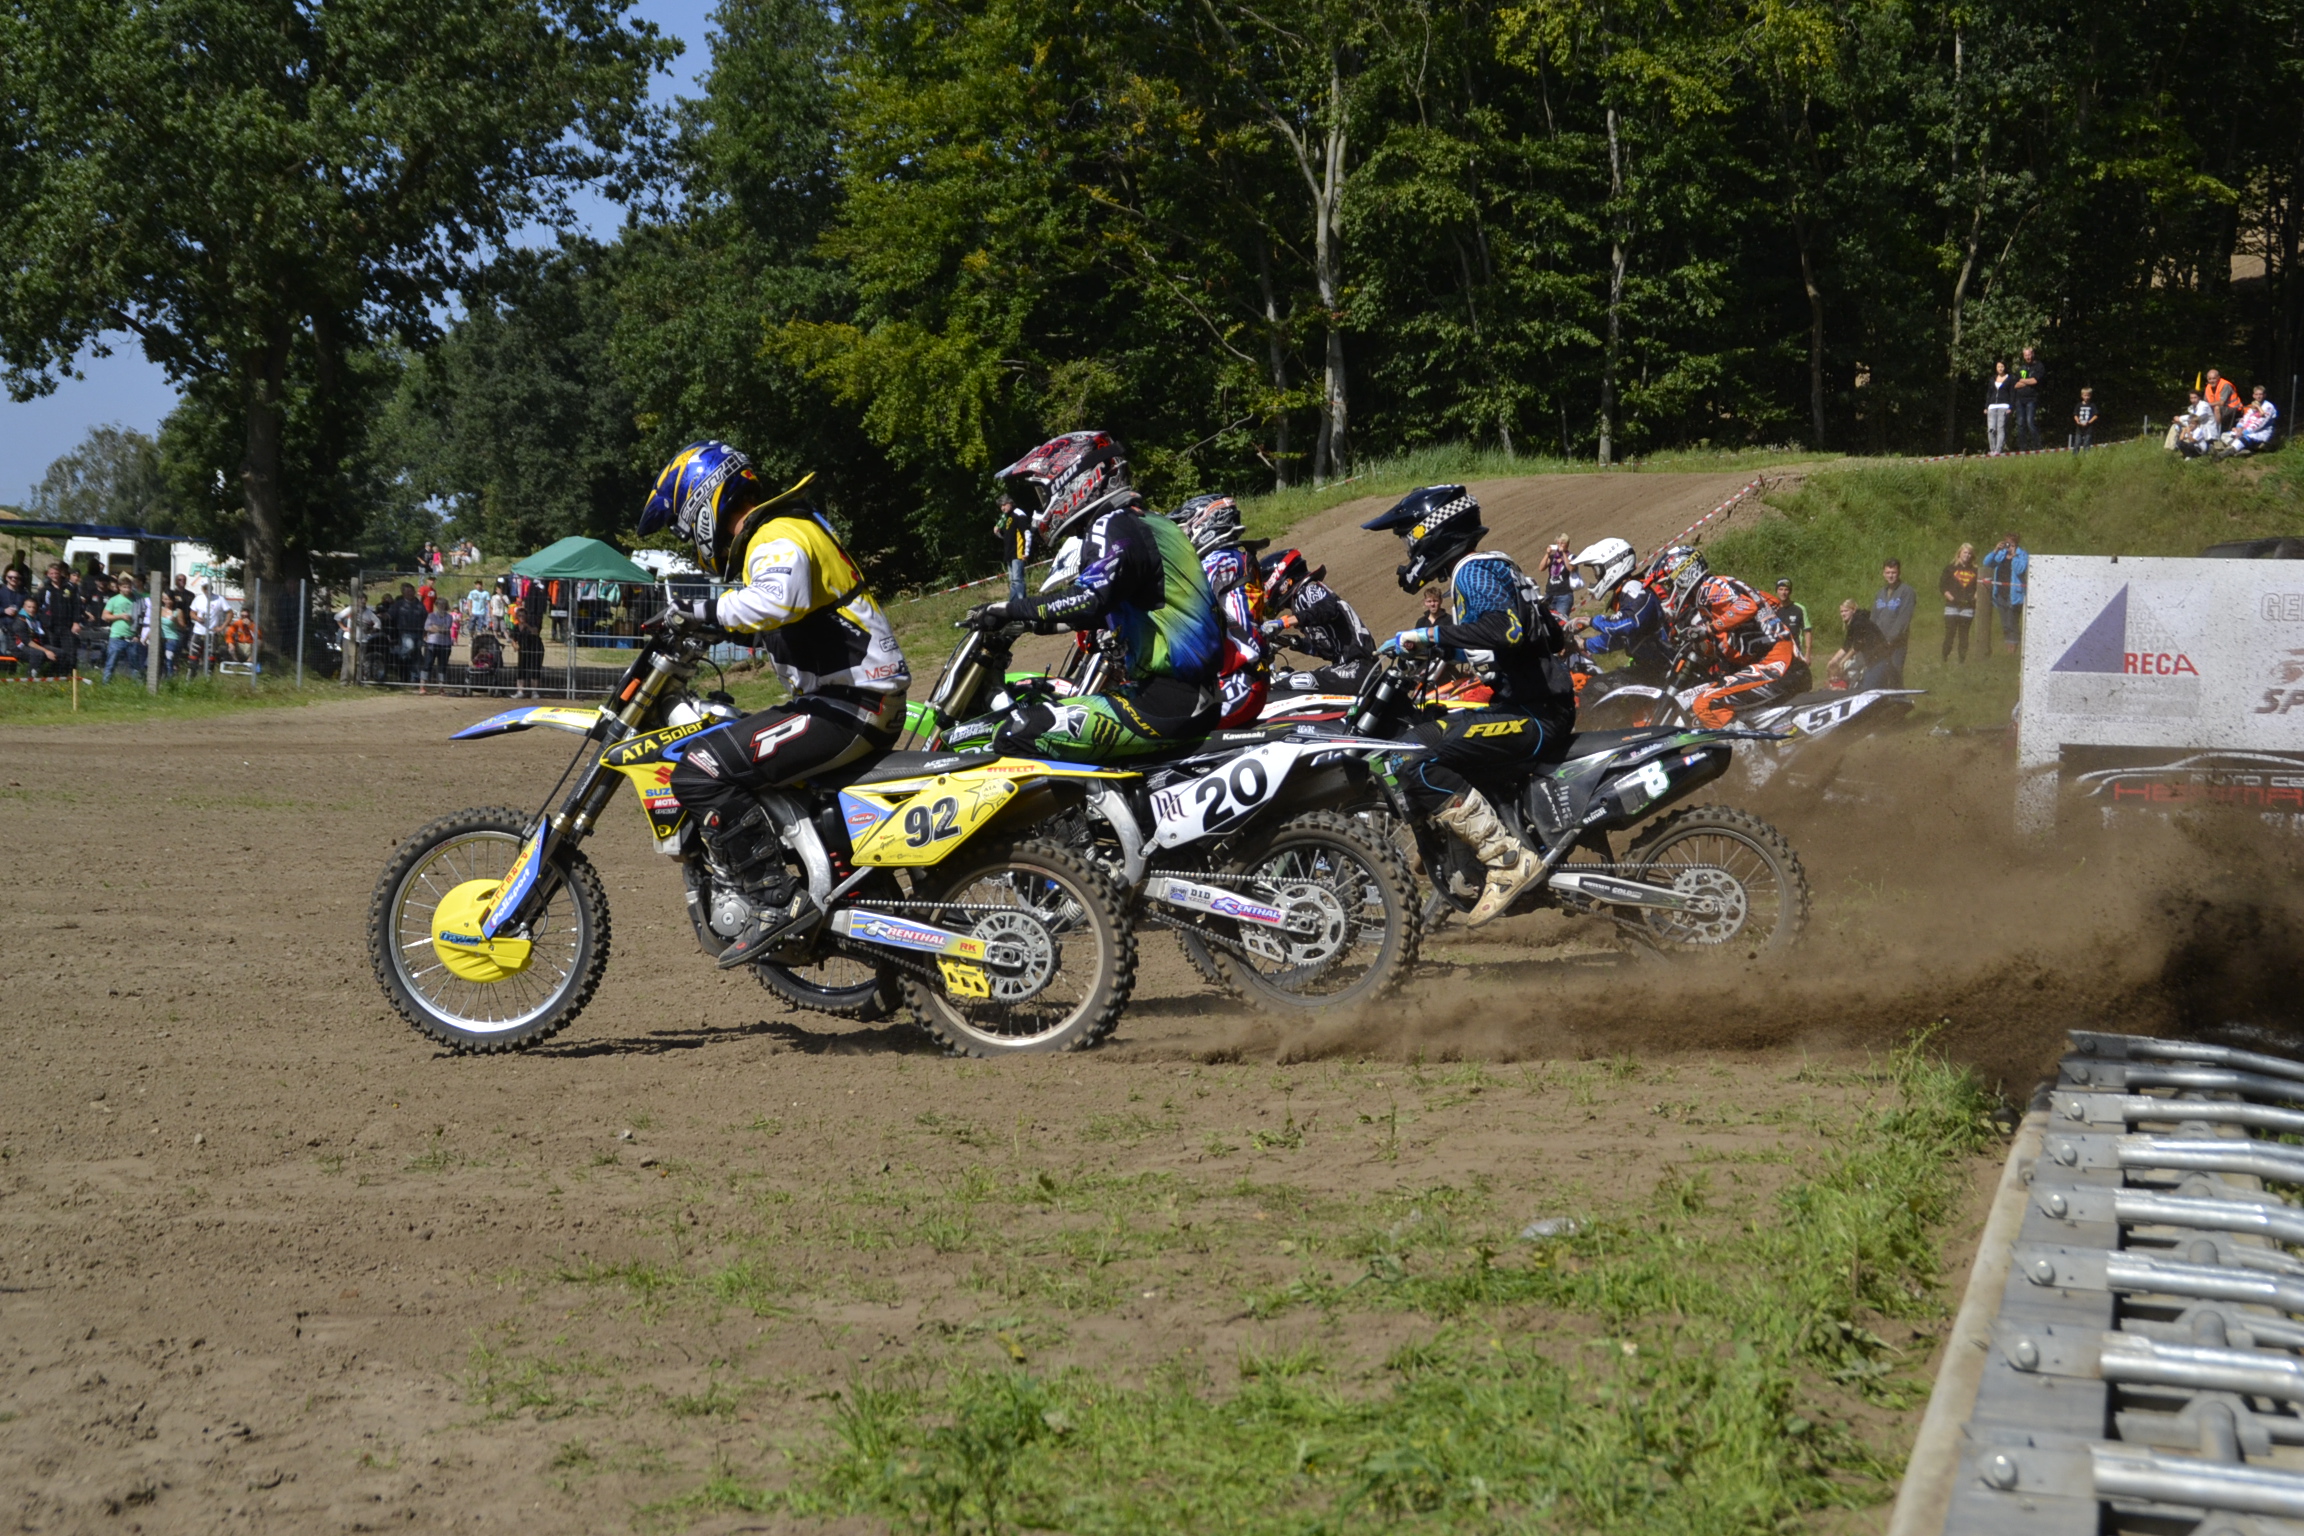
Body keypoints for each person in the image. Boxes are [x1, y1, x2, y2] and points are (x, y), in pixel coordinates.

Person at [649, 441, 911, 967]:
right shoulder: (785, 529)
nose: (687, 540)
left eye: (682, 528)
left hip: (849, 705)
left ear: (702, 503)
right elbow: (797, 617)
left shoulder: (774, 533)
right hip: (852, 701)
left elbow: (775, 600)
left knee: (701, 769)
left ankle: (774, 901)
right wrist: (718, 629)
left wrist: (695, 611)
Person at [1363, 484, 1578, 927]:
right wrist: (1435, 648)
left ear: (1431, 532)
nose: (1408, 551)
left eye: (1409, 539)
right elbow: (1546, 636)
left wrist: (1430, 635)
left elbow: (1505, 632)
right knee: (1445, 730)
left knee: (1413, 755)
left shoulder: (1470, 572)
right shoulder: (1500, 565)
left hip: (1534, 714)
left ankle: (1505, 859)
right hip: (1539, 707)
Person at [961, 431, 1221, 760]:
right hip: (1194, 697)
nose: (1044, 504)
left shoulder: (1113, 524)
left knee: (1016, 731)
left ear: (1076, 482)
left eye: (1045, 493)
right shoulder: (1151, 521)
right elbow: (1105, 610)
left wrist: (1007, 609)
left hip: (1165, 700)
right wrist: (1029, 623)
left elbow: (1088, 599)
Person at [1167, 493, 1270, 728]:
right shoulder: (1235, 557)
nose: (1183, 536)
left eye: (1185, 529)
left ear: (1205, 525)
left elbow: (1181, 602)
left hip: (1235, 684)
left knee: (1156, 723)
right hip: (1244, 679)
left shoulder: (1219, 559)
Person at [1667, 552, 1803, 726]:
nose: (1669, 591)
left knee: (1704, 704)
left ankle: (1739, 744)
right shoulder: (1719, 585)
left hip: (1775, 662)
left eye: (1669, 584)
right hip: (1777, 658)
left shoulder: (1708, 588)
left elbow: (1747, 606)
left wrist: (1708, 629)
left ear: (1685, 575)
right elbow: (1773, 603)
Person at [1260, 547, 1377, 691]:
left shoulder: (1308, 589)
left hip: (1357, 668)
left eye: (1264, 587)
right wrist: (1295, 642)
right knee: (1286, 678)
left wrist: (1283, 623)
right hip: (1350, 670)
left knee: (1284, 685)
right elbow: (1328, 650)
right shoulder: (1301, 602)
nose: (1265, 595)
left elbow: (1328, 609)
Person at [1572, 537, 1673, 681]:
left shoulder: (1633, 588)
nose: (1596, 576)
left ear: (1612, 565)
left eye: (1597, 570)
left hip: (1666, 667)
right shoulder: (1626, 592)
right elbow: (1619, 638)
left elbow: (1629, 623)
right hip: (1652, 667)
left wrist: (1591, 621)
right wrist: (1584, 644)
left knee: (1601, 687)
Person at [1827, 599, 1891, 689]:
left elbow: (1857, 645)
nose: (1843, 614)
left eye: (1846, 611)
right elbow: (1847, 645)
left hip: (1880, 658)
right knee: (1868, 688)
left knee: (1868, 689)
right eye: (1841, 611)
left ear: (1853, 610)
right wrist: (1833, 660)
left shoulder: (1859, 622)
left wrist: (1842, 662)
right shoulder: (1852, 623)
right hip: (1871, 660)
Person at [1872, 559, 1915, 686]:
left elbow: (1903, 619)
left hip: (1896, 644)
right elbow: (1874, 617)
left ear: (1899, 573)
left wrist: (1890, 639)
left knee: (1895, 673)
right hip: (1879, 642)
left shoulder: (1907, 592)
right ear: (1883, 573)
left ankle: (1898, 697)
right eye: (1888, 572)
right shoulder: (1880, 593)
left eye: (1893, 572)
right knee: (1879, 675)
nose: (1890, 576)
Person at [1982, 534, 2028, 651]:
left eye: (2011, 544)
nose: (2009, 546)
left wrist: (2014, 556)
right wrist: (1995, 550)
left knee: (2012, 622)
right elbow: (1987, 563)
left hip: (2014, 594)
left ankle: (2013, 649)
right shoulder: (2001, 554)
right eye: (2007, 543)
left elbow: (2020, 570)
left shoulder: (2022, 555)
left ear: (2016, 544)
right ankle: (2008, 647)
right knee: (2005, 624)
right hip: (2000, 592)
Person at [1939, 544, 1979, 664]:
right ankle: (1944, 658)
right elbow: (1942, 586)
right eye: (1965, 552)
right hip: (1952, 606)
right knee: (1950, 633)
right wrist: (1951, 598)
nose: (1967, 555)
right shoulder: (1950, 568)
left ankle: (1962, 660)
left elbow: (1979, 587)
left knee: (1964, 635)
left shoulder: (1975, 570)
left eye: (1969, 553)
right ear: (1959, 553)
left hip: (1968, 607)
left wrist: (1974, 598)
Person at [512, 575, 546, 697]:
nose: (521, 617)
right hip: (524, 650)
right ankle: (520, 691)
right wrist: (515, 645)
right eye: (519, 616)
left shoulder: (532, 623)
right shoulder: (516, 627)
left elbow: (535, 632)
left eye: (523, 615)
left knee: (535, 669)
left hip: (535, 649)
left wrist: (527, 625)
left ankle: (534, 691)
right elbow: (513, 639)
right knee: (521, 669)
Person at [101, 577, 137, 682]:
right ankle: (105, 684)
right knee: (111, 663)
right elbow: (104, 616)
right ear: (119, 587)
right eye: (124, 587)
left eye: (129, 587)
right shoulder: (114, 600)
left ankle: (138, 687)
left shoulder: (136, 599)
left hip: (132, 636)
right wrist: (120, 616)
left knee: (135, 665)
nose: (127, 589)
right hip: (117, 636)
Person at [419, 599, 455, 694]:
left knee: (443, 665)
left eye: (443, 604)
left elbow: (447, 628)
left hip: (445, 644)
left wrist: (435, 627)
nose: (441, 606)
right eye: (439, 604)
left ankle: (441, 687)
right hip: (431, 642)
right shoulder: (431, 615)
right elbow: (427, 627)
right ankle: (422, 686)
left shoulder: (449, 617)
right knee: (427, 664)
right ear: (436, 605)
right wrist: (440, 628)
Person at [2012, 346, 2044, 451]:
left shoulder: (2038, 366)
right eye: (2026, 355)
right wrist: (2027, 381)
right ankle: (2022, 448)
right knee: (2020, 424)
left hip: (2031, 399)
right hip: (2020, 399)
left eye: (2029, 355)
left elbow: (2035, 381)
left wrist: (2023, 381)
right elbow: (2015, 385)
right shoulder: (2021, 368)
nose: (2028, 357)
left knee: (2030, 422)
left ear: (2032, 354)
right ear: (2023, 356)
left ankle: (2037, 446)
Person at [1774, 577, 1811, 664]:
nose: (1783, 592)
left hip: (1795, 653)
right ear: (1777, 591)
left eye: (1786, 590)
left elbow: (1807, 631)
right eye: (1780, 589)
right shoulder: (1772, 609)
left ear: (1790, 591)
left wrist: (1808, 654)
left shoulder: (1799, 609)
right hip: (1776, 653)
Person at [2235, 385, 2281, 452]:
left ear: (2264, 395)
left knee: (2242, 440)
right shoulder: (2253, 406)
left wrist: (2244, 432)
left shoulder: (2269, 407)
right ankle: (2244, 448)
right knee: (2225, 435)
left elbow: (2260, 424)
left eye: (2260, 394)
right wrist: (2239, 427)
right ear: (2253, 395)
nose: (2258, 396)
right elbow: (2245, 418)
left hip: (2261, 432)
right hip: (2247, 430)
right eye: (2256, 394)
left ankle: (2234, 450)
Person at [1542, 536, 1575, 623]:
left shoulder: (1571, 557)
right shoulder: (1552, 558)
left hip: (1564, 596)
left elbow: (1570, 568)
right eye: (1558, 543)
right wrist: (1547, 554)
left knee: (1561, 622)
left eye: (1562, 543)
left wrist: (1563, 553)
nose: (1559, 545)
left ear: (1567, 544)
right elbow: (1541, 568)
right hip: (1550, 594)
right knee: (1547, 621)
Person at [1985, 360, 2013, 454]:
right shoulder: (1992, 379)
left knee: (2000, 428)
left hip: (2004, 406)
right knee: (1991, 429)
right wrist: (1986, 406)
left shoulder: (2009, 379)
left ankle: (1998, 450)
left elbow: (2012, 393)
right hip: (1992, 406)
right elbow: (1989, 393)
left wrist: (2011, 407)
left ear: (2005, 367)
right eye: (1998, 367)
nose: (2000, 368)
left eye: (2002, 366)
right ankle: (1992, 449)